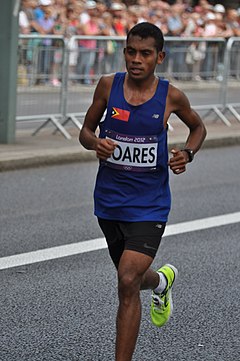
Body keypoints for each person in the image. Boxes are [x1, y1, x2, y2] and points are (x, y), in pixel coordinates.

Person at [79, 22, 207, 361]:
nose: (137, 59)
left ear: (159, 57)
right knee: (131, 278)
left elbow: (198, 127)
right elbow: (85, 131)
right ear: (124, 52)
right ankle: (162, 284)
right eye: (131, 52)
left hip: (150, 205)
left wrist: (187, 153)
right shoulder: (108, 87)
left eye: (145, 54)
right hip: (108, 201)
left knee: (126, 279)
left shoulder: (171, 96)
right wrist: (95, 143)